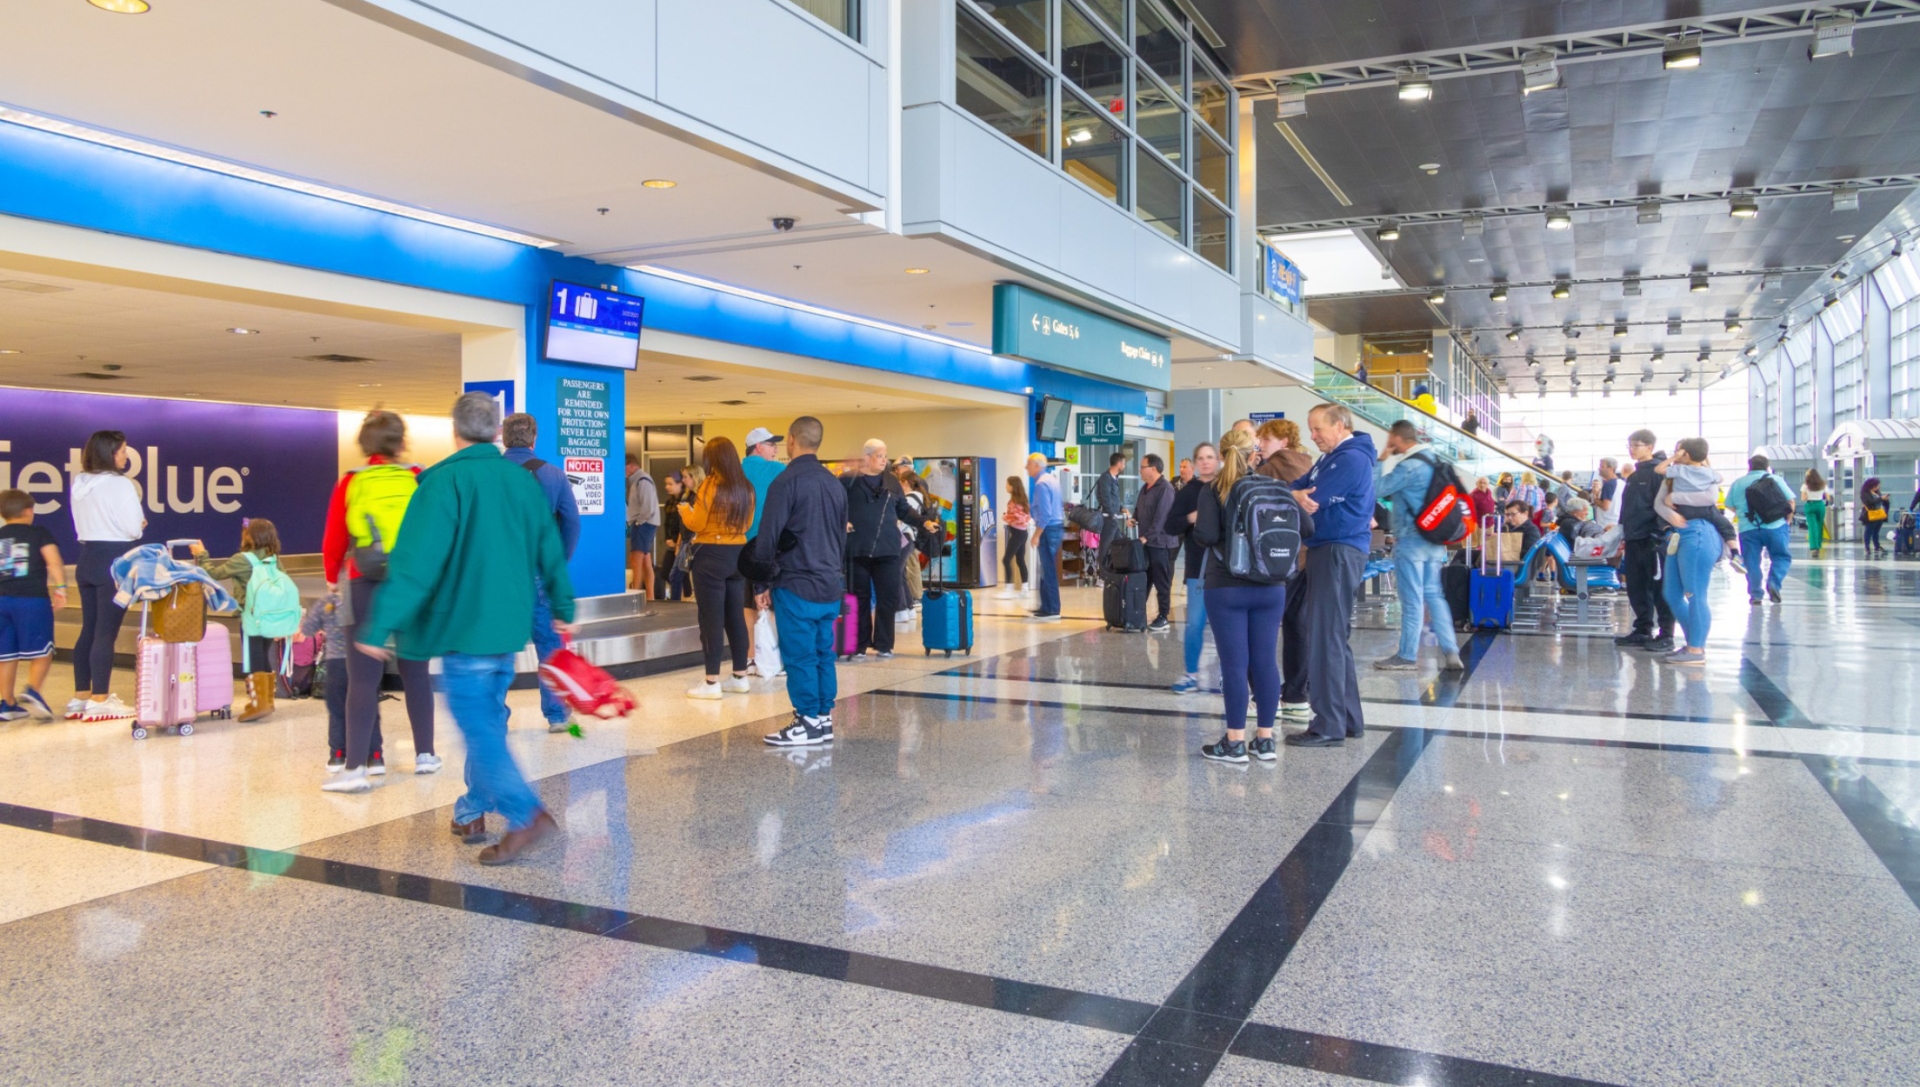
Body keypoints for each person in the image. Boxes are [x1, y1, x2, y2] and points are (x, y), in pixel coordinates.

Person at [357, 392, 574, 864]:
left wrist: (378, 627)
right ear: (497, 433)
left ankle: (525, 814)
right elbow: (549, 547)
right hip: (508, 627)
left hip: (463, 628)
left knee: (479, 729)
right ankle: (472, 809)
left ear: (455, 432)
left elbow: (415, 565)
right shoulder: (521, 482)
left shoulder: (441, 482)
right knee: (488, 721)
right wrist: (562, 604)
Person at [321, 411, 437, 790]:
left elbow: (334, 540)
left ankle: (357, 767)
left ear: (365, 444)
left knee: (362, 679)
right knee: (416, 672)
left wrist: (332, 579)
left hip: (364, 582)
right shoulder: (417, 478)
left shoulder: (351, 482)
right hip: (410, 584)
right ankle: (425, 755)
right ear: (400, 443)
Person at [1193, 429, 1309, 764]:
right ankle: (1266, 741)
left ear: (1221, 453)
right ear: (1254, 454)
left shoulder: (1213, 489)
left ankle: (1234, 743)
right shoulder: (1276, 487)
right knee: (1265, 662)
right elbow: (1309, 529)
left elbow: (1207, 535)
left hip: (1227, 587)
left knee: (1234, 664)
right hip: (1272, 587)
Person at [1282, 404, 1377, 748]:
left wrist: (1297, 495)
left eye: (1318, 429)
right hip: (1329, 550)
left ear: (1339, 425)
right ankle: (1347, 719)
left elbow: (1314, 498)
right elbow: (1298, 487)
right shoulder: (1331, 457)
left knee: (1325, 638)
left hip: (1337, 550)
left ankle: (1328, 725)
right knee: (1334, 638)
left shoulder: (1350, 458)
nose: (1313, 436)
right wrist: (1293, 494)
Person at [753, 417, 848, 747]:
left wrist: (760, 583)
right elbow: (841, 537)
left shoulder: (786, 481)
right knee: (824, 653)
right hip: (829, 585)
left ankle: (806, 721)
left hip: (796, 583)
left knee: (800, 655)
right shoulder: (834, 483)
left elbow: (768, 536)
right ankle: (822, 719)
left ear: (792, 440)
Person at [503, 414, 583, 732]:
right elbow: (573, 523)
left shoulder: (491, 474)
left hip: (501, 577)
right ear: (534, 439)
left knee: (497, 649)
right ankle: (557, 715)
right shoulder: (553, 474)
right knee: (550, 647)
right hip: (539, 573)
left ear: (505, 439)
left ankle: (497, 717)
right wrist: (557, 562)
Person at [1372, 420, 1465, 673]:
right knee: (1434, 595)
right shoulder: (1434, 462)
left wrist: (1382, 459)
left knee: (1412, 600)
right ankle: (1451, 651)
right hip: (1435, 542)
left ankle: (1406, 655)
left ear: (1397, 438)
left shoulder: (1408, 467)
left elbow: (1375, 489)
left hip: (1411, 542)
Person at [67, 430, 143, 722]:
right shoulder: (120, 484)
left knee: (89, 629)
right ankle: (100, 699)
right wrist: (140, 523)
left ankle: (80, 697)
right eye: (123, 451)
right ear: (111, 453)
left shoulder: (80, 483)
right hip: (113, 561)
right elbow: (134, 528)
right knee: (105, 633)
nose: (126, 456)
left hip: (86, 558)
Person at [191, 519, 297, 723]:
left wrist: (201, 554)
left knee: (251, 659)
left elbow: (213, 574)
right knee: (263, 656)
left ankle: (260, 705)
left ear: (250, 537)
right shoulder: (273, 558)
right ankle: (266, 701)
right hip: (271, 617)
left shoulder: (242, 559)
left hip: (251, 617)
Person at [678, 436, 755, 698]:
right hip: (739, 554)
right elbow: (747, 524)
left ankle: (711, 683)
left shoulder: (711, 484)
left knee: (710, 618)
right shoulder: (746, 486)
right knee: (736, 617)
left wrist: (684, 511)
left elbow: (697, 523)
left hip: (711, 555)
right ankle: (740, 676)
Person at [843, 439, 922, 659]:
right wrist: (842, 522)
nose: (884, 460)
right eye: (880, 455)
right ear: (866, 457)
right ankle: (859, 645)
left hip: (888, 550)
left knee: (888, 597)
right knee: (859, 598)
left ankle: (885, 644)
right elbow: (835, 506)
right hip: (857, 550)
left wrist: (923, 521)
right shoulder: (849, 481)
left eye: (885, 456)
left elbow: (904, 510)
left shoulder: (892, 482)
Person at [1653, 438, 1727, 666]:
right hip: (1678, 534)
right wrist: (1669, 513)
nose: (1677, 454)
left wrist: (1675, 498)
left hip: (1699, 533)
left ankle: (1696, 650)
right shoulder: (1674, 475)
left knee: (1695, 594)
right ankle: (1693, 642)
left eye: (1680, 451)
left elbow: (1710, 499)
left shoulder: (1708, 474)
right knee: (1672, 594)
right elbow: (1658, 503)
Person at [0, 489, 66, 721]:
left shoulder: (1, 536)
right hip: (31, 600)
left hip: (2, 601)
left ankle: (6, 704)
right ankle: (33, 690)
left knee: (6, 654)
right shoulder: (38, 533)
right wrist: (61, 588)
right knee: (43, 650)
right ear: (29, 511)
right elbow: (54, 561)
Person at [298, 588, 373, 773]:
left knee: (337, 709)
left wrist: (325, 628)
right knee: (365, 709)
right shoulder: (365, 595)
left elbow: (308, 629)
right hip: (362, 661)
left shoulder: (328, 600)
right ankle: (372, 755)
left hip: (336, 662)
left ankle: (337, 755)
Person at [1168, 443, 1219, 694]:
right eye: (1201, 458)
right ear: (1196, 462)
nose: (1206, 462)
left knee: (1225, 627)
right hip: (1198, 568)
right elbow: (1170, 525)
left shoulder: (1228, 487)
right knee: (1195, 624)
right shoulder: (1190, 491)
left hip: (1226, 569)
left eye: (1210, 457)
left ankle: (1226, 675)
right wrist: (1192, 517)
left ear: (1219, 460)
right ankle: (1191, 674)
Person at [741, 427, 786, 663]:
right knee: (770, 605)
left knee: (748, 604)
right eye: (772, 444)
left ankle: (750, 657)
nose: (776, 449)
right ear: (759, 447)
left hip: (740, 548)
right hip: (770, 546)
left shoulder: (735, 470)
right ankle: (772, 658)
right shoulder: (777, 469)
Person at [1725, 454, 1794, 605]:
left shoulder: (1738, 482)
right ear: (1767, 466)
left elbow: (1729, 505)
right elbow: (1790, 501)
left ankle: (1756, 595)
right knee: (1781, 557)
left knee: (1751, 561)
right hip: (1775, 526)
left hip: (1748, 528)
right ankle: (1774, 584)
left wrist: (1742, 514)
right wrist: (1787, 520)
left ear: (1749, 466)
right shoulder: (1775, 479)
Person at [1133, 454, 1178, 633]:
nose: (1140, 470)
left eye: (1142, 467)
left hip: (1162, 544)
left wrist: (1146, 537)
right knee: (1144, 580)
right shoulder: (1145, 488)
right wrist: (1134, 518)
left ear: (1153, 468)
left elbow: (1161, 518)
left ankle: (1163, 616)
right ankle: (1136, 613)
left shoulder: (1165, 489)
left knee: (1162, 582)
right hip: (1147, 543)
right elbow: (1139, 509)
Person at [1027, 454, 1064, 621]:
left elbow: (1046, 513)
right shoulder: (1052, 479)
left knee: (1048, 570)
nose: (1026, 467)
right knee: (1046, 568)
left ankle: (1052, 609)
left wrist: (1036, 535)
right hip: (1055, 527)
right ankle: (1046, 606)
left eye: (1028, 464)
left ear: (1036, 465)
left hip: (1048, 529)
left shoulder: (1041, 484)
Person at [625, 454, 659, 597]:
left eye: (624, 467)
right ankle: (650, 596)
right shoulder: (637, 480)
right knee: (645, 561)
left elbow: (648, 506)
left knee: (636, 559)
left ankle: (635, 594)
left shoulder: (642, 480)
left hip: (643, 524)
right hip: (644, 524)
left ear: (632, 465)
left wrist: (638, 522)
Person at [999, 475, 1032, 600]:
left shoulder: (1015, 502)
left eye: (1007, 484)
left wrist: (1005, 517)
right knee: (1020, 560)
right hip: (1022, 533)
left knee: (1006, 559)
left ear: (1013, 486)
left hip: (1018, 533)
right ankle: (1025, 589)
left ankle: (1009, 588)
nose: (1005, 486)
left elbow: (1018, 517)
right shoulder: (1021, 500)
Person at [1254, 418, 1314, 484]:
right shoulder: (1307, 462)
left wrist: (1251, 467)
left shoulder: (1270, 468)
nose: (1260, 445)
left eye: (1266, 440)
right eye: (1260, 440)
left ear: (1284, 442)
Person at [658, 473, 688, 600]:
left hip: (681, 541)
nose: (667, 487)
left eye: (670, 484)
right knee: (669, 572)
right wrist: (667, 539)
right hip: (672, 541)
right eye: (666, 484)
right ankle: (684, 595)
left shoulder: (685, 501)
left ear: (679, 484)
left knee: (676, 572)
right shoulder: (670, 503)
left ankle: (683, 596)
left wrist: (677, 542)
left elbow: (683, 524)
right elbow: (667, 523)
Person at [1801, 469, 1829, 558]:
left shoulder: (1805, 485)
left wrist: (1809, 494)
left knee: (1812, 527)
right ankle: (1819, 545)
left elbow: (1803, 498)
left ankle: (1814, 548)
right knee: (1819, 525)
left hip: (1810, 505)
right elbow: (1827, 497)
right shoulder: (1823, 484)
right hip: (1820, 505)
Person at [1860, 477, 1891, 557]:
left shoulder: (1876, 492)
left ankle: (1877, 546)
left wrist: (1885, 500)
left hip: (1878, 514)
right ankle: (1867, 547)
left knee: (1876, 532)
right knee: (1868, 531)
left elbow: (1881, 501)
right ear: (1872, 486)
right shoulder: (1865, 493)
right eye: (1877, 485)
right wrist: (1881, 498)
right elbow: (1869, 503)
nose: (1878, 487)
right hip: (1870, 515)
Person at [1591, 459, 1622, 530]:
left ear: (1611, 469)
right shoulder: (1622, 483)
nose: (1599, 469)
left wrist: (1595, 499)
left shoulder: (1608, 484)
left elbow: (1605, 506)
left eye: (1602, 466)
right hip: (1616, 522)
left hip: (1605, 524)